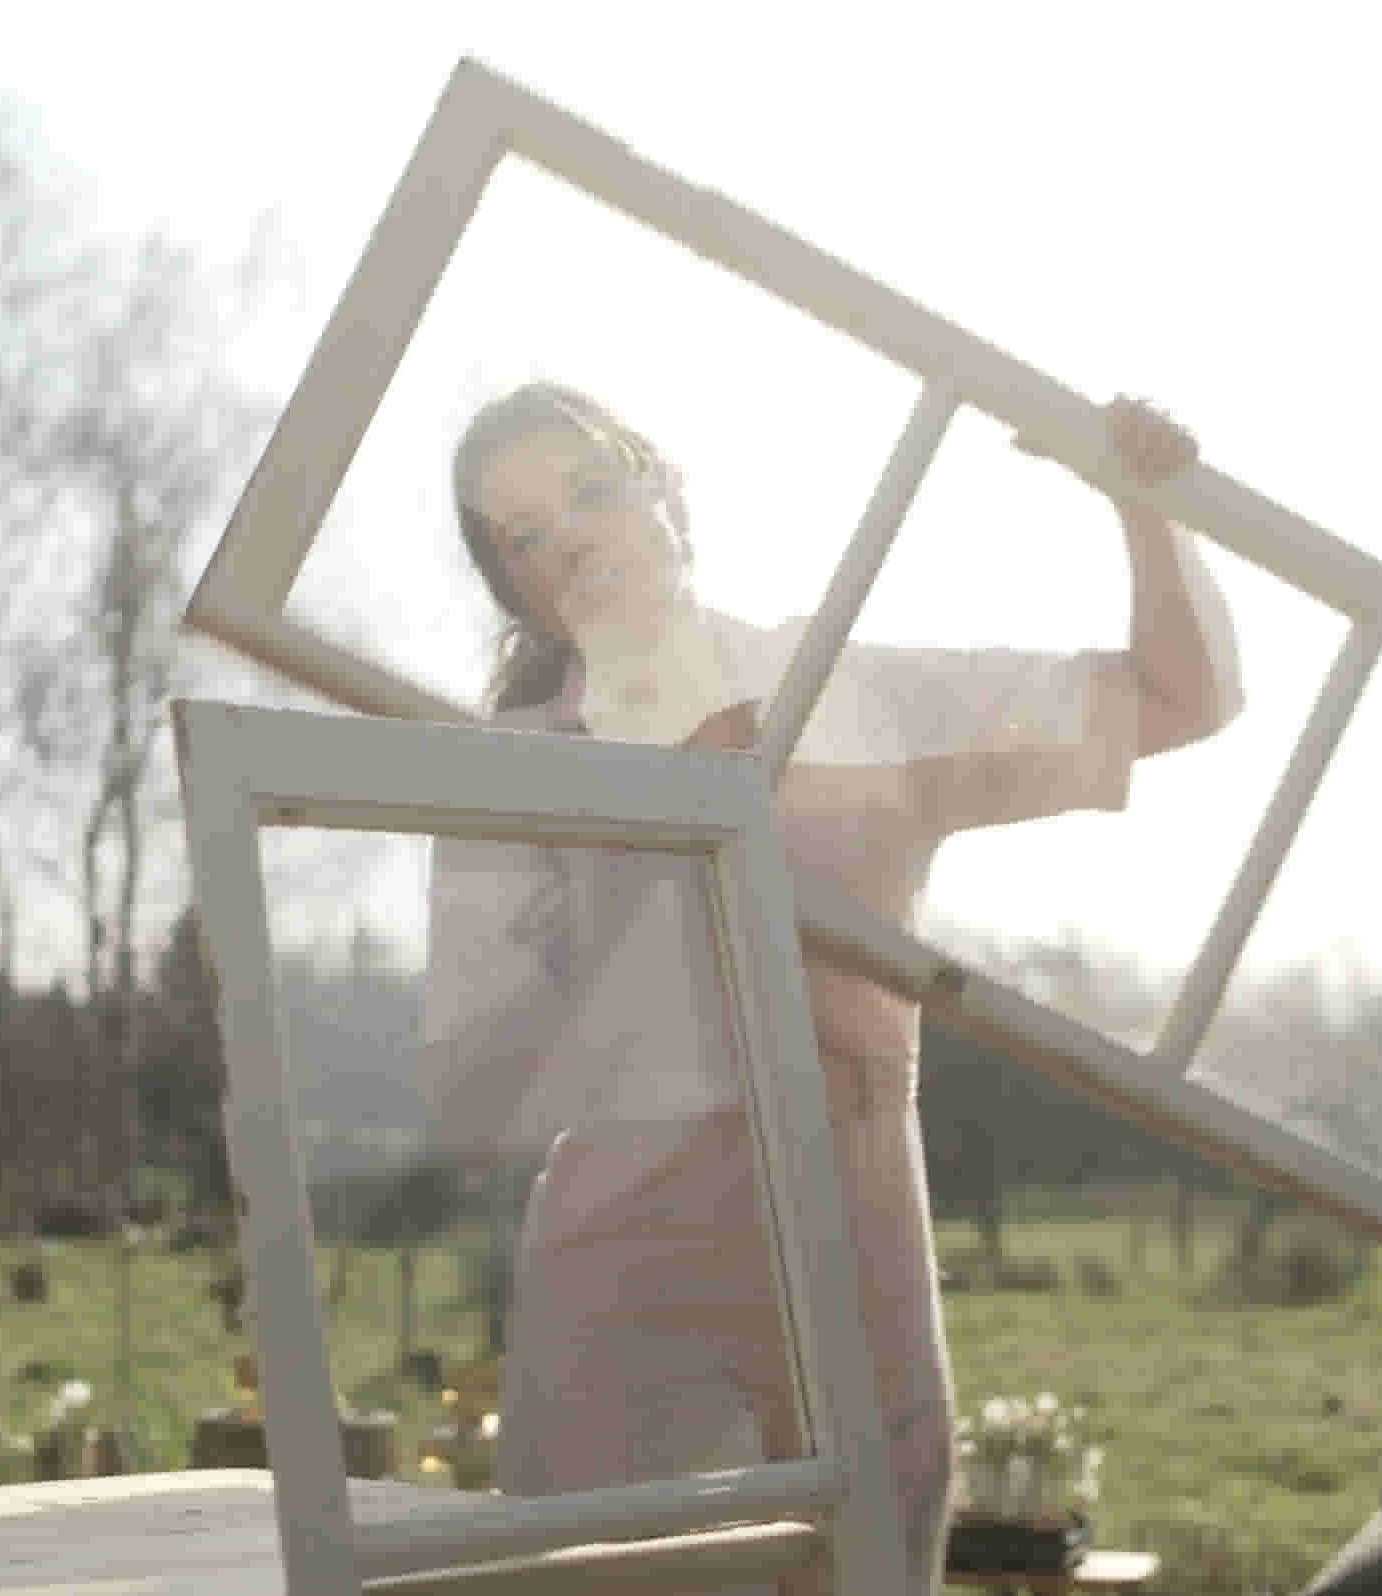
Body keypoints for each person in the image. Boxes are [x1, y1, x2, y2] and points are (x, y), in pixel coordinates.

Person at [419, 381, 1242, 1594]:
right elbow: (470, 1096)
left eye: (591, 487)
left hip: (855, 1258)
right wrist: (655, 838)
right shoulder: (512, 768)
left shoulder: (853, 687)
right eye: (524, 535)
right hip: (623, 1279)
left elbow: (1183, 696)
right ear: (516, 588)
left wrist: (1150, 510)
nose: (574, 537)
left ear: (662, 486)